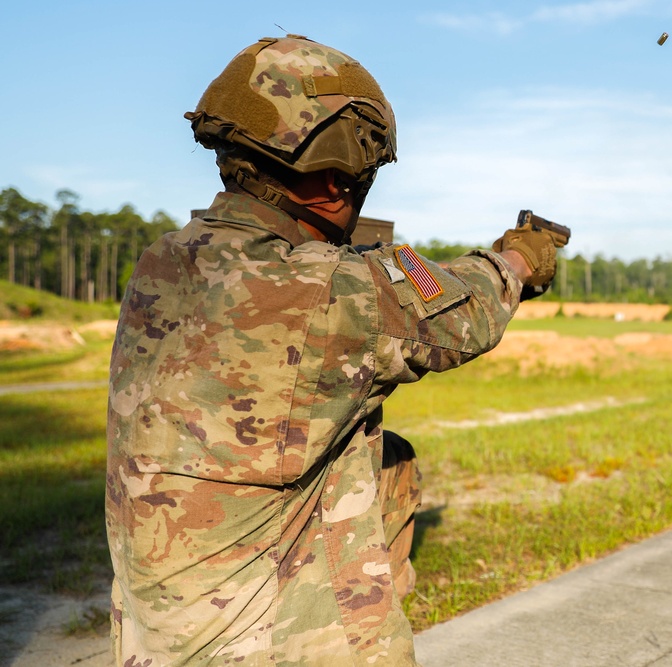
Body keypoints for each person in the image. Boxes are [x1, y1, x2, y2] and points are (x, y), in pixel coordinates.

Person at [105, 35, 562, 666]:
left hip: (157, 635)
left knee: (390, 460)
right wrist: (518, 259)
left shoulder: (163, 262)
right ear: (330, 182)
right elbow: (465, 309)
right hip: (264, 648)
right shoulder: (335, 291)